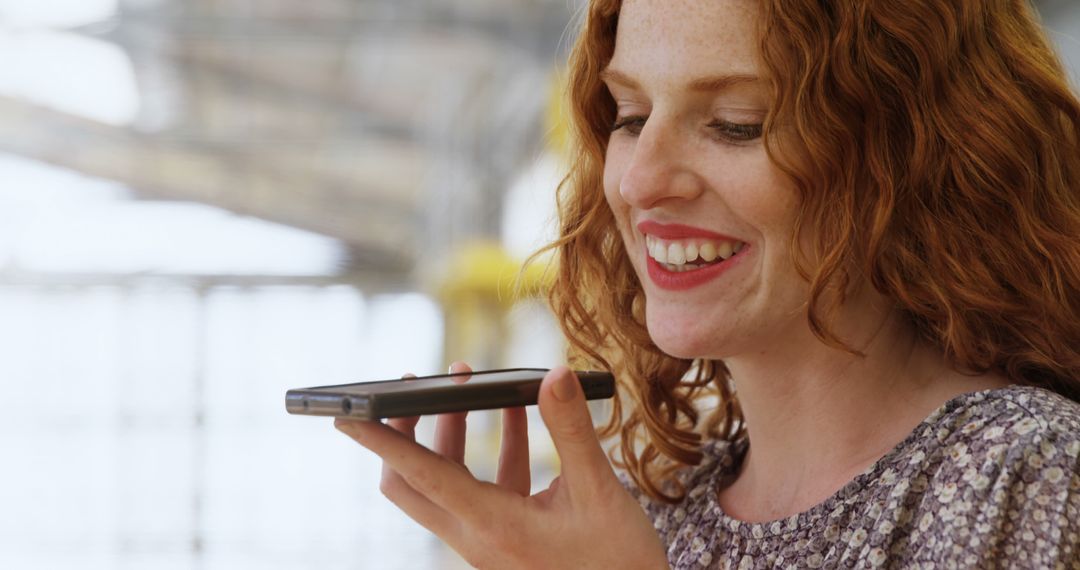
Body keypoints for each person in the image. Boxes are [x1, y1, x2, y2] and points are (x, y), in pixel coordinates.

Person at [334, 0, 1080, 567]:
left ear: (920, 152)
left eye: (735, 123)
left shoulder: (1027, 471)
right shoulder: (665, 509)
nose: (642, 180)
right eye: (629, 116)